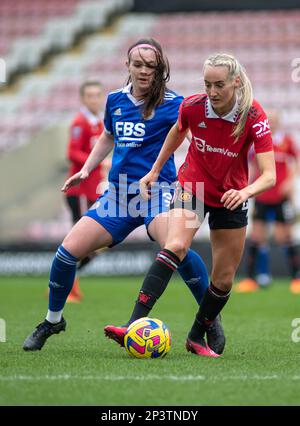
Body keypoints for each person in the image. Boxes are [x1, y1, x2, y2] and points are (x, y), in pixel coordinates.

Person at [23, 38, 225, 353]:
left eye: (151, 65)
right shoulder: (115, 100)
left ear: (160, 69)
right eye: (138, 64)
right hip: (118, 197)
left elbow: (201, 132)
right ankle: (53, 320)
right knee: (66, 252)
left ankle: (209, 320)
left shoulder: (175, 103)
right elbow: (107, 135)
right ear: (127, 66)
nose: (144, 71)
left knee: (176, 245)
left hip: (157, 193)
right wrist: (88, 169)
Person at [104, 52, 276, 358]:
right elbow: (177, 131)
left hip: (231, 196)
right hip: (192, 186)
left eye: (219, 84)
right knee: (176, 244)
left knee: (222, 279)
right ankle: (132, 325)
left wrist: (245, 192)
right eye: (207, 83)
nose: (212, 91)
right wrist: (155, 170)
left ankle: (197, 336)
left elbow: (270, 176)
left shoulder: (252, 115)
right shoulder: (194, 106)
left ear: (236, 82)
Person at [235, 109, 300, 294]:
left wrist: (290, 181)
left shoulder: (286, 142)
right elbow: (247, 163)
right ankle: (250, 279)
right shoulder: (257, 142)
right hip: (262, 195)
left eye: (273, 121)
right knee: (256, 237)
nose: (270, 124)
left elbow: (296, 162)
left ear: (278, 122)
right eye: (268, 121)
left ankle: (296, 278)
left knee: (284, 237)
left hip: (281, 197)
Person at [64, 80, 107, 303]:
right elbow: (72, 153)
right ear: (83, 98)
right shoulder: (80, 122)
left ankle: (66, 281)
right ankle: (67, 287)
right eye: (89, 95)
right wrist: (98, 164)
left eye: (97, 95)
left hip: (94, 191)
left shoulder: (101, 123)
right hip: (80, 190)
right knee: (82, 242)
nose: (94, 99)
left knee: (100, 244)